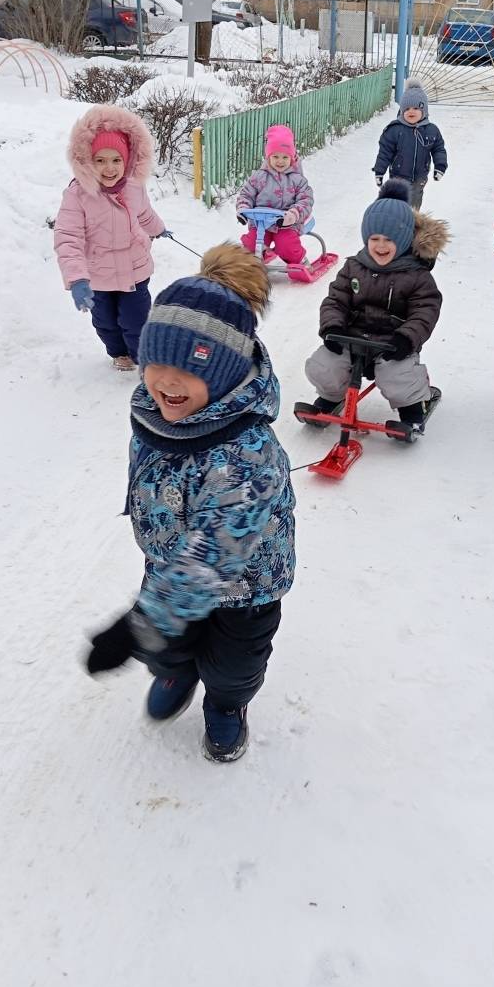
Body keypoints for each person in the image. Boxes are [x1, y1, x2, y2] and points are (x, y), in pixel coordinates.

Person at [84, 244, 296, 763]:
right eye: (155, 362)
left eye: (190, 369)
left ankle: (226, 706)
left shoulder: (249, 455)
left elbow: (215, 556)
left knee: (233, 666)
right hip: (169, 564)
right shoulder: (153, 410)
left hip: (247, 586)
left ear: (225, 372)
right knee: (172, 647)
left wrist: (138, 628)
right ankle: (175, 671)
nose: (166, 382)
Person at [304, 181, 448, 432]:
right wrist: (332, 327)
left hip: (392, 344)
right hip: (351, 337)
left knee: (398, 377)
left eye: (389, 240)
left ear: (403, 241)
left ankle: (413, 406)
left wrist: (406, 339)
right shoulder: (354, 267)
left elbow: (426, 311)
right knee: (324, 365)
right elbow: (336, 300)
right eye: (375, 239)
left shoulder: (417, 276)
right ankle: (332, 395)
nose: (381, 246)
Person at [54, 105, 167, 370]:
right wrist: (77, 278)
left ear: (127, 161)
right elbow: (68, 237)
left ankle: (143, 358)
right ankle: (118, 353)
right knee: (105, 321)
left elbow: (145, 215)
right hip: (99, 274)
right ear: (87, 161)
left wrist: (159, 229)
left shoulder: (134, 188)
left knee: (136, 319)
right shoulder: (77, 195)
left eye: (116, 160)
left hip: (134, 270)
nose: (109, 168)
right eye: (100, 160)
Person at [236, 124, 314, 267]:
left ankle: (300, 260)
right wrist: (243, 209)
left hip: (286, 224)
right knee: (250, 244)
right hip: (260, 224)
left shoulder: (297, 179)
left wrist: (293, 214)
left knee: (286, 245)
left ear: (292, 157)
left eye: (285, 157)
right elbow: (246, 195)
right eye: (275, 156)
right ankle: (257, 255)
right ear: (268, 157)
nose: (280, 161)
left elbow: (305, 200)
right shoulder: (259, 177)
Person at [372, 76, 447, 209]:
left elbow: (438, 149)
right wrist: (379, 171)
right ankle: (395, 225)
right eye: (406, 109)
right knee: (397, 204)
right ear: (401, 110)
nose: (410, 111)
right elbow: (385, 152)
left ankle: (411, 224)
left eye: (416, 108)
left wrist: (440, 166)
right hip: (398, 178)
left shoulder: (431, 130)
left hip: (420, 178)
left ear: (424, 110)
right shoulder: (395, 130)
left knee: (414, 205)